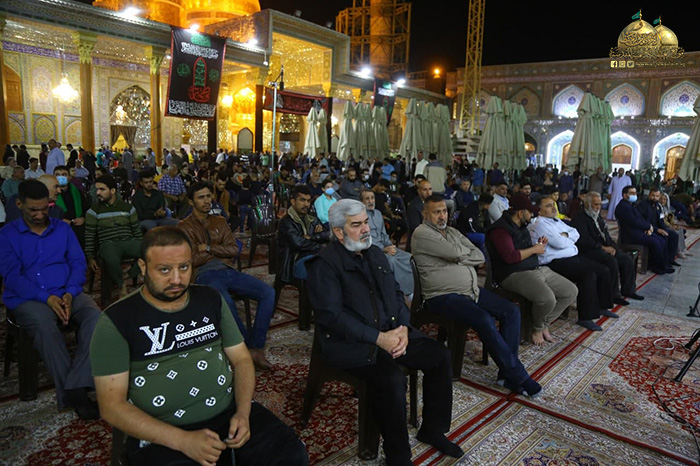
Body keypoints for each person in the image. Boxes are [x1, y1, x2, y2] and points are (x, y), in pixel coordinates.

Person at [89, 226, 309, 466]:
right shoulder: (118, 319)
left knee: (292, 455)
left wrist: (243, 413)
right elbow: (111, 406)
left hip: (228, 412)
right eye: (164, 270)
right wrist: (183, 441)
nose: (176, 279)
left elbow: (242, 359)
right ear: (143, 267)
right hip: (161, 429)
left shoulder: (210, 299)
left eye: (184, 267)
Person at [307, 199, 464, 465]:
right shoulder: (325, 264)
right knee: (391, 380)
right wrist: (379, 339)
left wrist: (403, 328)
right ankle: (398, 456)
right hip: (353, 343)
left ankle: (432, 430)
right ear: (338, 232)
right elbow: (332, 317)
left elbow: (396, 293)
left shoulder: (375, 254)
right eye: (356, 225)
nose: (365, 229)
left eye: (366, 222)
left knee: (439, 355)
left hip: (391, 331)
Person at [412, 195, 543, 395]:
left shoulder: (452, 232)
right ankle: (518, 375)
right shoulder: (422, 233)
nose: (442, 216)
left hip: (470, 290)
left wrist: (460, 257)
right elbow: (456, 254)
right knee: (483, 318)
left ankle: (506, 375)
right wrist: (461, 256)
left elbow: (478, 254)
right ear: (425, 214)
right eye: (436, 212)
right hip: (442, 296)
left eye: (444, 211)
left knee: (511, 311)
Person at [0, 180, 101, 419]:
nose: (39, 214)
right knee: (44, 325)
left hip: (67, 291)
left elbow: (77, 263)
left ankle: (75, 385)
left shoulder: (62, 229)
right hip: (29, 298)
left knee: (97, 318)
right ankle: (76, 395)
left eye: (44, 209)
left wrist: (70, 292)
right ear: (19, 204)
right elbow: (12, 277)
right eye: (33, 210)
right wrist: (47, 298)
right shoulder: (7, 235)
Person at [178, 181, 276, 370]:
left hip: (228, 269)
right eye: (201, 197)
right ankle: (246, 347)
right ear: (191, 201)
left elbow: (234, 250)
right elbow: (191, 259)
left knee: (268, 293)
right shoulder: (184, 227)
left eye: (208, 196)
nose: (207, 201)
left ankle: (255, 347)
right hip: (204, 274)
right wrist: (218, 251)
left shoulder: (220, 221)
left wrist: (208, 248)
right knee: (225, 302)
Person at [487, 207, 578, 345]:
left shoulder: (522, 226)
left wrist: (538, 245)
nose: (532, 215)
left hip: (535, 268)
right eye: (530, 212)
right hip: (513, 273)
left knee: (570, 291)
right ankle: (537, 329)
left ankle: (543, 324)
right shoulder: (500, 230)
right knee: (548, 299)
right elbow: (510, 257)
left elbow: (524, 249)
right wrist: (534, 249)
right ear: (520, 212)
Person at [528, 196, 615, 331]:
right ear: (539, 211)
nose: (553, 208)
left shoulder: (557, 221)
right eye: (548, 206)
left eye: (553, 205)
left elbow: (575, 233)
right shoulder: (540, 224)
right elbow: (559, 243)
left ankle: (602, 306)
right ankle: (585, 317)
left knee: (603, 269)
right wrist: (567, 239)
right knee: (587, 274)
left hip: (571, 257)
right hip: (554, 262)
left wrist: (566, 236)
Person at [572, 192, 644, 303]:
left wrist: (613, 246)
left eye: (600, 204)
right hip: (589, 250)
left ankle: (628, 290)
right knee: (611, 261)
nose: (598, 207)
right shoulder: (580, 217)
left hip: (603, 247)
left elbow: (605, 234)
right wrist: (603, 248)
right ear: (587, 204)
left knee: (626, 258)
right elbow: (584, 240)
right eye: (596, 204)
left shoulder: (597, 215)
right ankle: (614, 295)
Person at [85, 175, 143, 298]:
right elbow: (89, 235)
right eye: (97, 189)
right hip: (108, 244)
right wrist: (90, 257)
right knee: (110, 255)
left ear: (112, 191)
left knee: (151, 250)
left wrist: (142, 244)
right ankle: (121, 286)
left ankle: (126, 275)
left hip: (128, 241)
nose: (98, 193)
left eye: (102, 189)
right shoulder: (93, 211)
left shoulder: (128, 208)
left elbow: (136, 231)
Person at [360, 189, 414, 295]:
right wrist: (383, 249)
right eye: (367, 199)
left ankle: (412, 290)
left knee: (409, 258)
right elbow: (364, 240)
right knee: (392, 261)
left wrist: (389, 245)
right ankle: (401, 293)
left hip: (386, 246)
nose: (371, 201)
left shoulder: (378, 214)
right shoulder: (361, 218)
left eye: (372, 198)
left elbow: (384, 234)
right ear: (362, 202)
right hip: (372, 250)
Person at [615, 185, 675, 275]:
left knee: (661, 239)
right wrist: (647, 227)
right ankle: (657, 266)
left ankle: (661, 264)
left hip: (637, 231)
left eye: (635, 193)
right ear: (624, 195)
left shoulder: (630, 205)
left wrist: (648, 227)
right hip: (630, 235)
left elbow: (641, 218)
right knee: (656, 242)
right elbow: (634, 221)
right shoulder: (623, 207)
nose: (634, 195)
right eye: (632, 193)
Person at [278, 185, 329, 282]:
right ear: (293, 202)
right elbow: (298, 244)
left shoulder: (311, 218)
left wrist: (313, 237)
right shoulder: (286, 222)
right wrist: (320, 244)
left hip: (314, 255)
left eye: (308, 201)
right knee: (326, 269)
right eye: (302, 200)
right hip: (295, 261)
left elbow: (329, 234)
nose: (306, 204)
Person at [637, 187, 680, 265]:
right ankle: (660, 263)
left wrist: (664, 229)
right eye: (653, 195)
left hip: (658, 228)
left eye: (657, 196)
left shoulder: (658, 206)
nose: (655, 198)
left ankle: (670, 260)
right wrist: (657, 230)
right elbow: (644, 221)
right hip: (649, 229)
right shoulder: (643, 205)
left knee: (674, 235)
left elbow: (661, 219)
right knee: (663, 238)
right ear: (649, 195)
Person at [54, 165, 88, 246]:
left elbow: (86, 208)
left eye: (64, 174)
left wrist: (83, 218)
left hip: (77, 226)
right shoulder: (51, 194)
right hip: (59, 227)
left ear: (69, 177)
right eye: (57, 175)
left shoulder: (77, 192)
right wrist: (60, 219)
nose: (61, 177)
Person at [406, 178, 433, 248]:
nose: (428, 192)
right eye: (425, 190)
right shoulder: (414, 206)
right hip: (419, 242)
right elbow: (415, 228)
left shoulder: (433, 203)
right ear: (419, 191)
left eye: (430, 189)